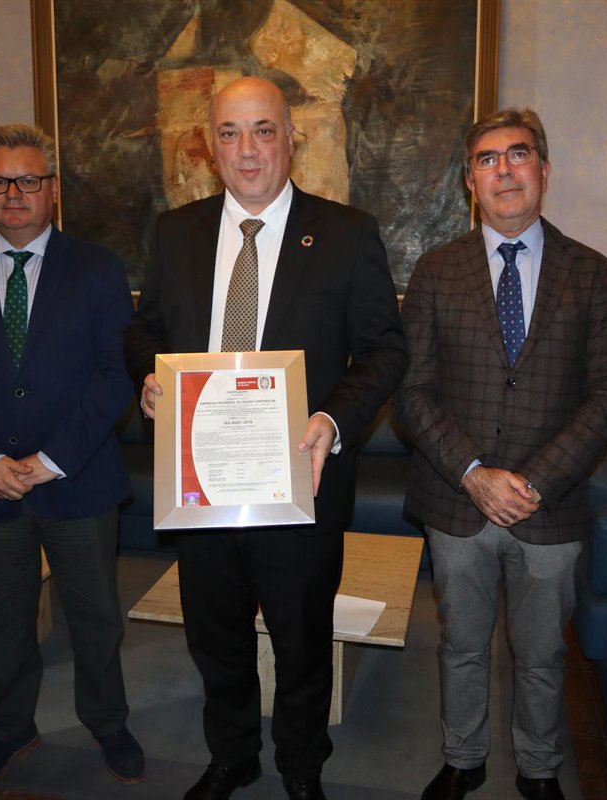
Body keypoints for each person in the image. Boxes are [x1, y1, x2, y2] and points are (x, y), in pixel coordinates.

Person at [125, 76, 406, 800]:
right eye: (229, 132)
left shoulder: (347, 233)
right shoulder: (176, 232)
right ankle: (233, 755)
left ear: (291, 137)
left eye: (262, 130)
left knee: (301, 640)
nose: (246, 150)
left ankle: (302, 765)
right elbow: (146, 328)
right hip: (202, 483)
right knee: (213, 637)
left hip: (300, 483)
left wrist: (332, 420)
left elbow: (384, 350)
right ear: (209, 145)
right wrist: (151, 377)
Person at [396, 108, 607, 800]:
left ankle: (538, 768)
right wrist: (474, 475)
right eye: (487, 159)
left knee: (543, 653)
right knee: (461, 644)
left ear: (544, 171)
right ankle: (463, 757)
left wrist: (535, 479)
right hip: (456, 500)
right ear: (470, 182)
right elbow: (412, 392)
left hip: (547, 508)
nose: (504, 170)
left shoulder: (590, 272)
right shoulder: (435, 272)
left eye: (518, 154)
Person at [0, 123, 142, 795]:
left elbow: (115, 375)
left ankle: (107, 722)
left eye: (28, 180)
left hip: (78, 479)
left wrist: (52, 459)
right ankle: (9, 728)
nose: (13, 193)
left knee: (96, 617)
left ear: (53, 189)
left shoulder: (99, 268)